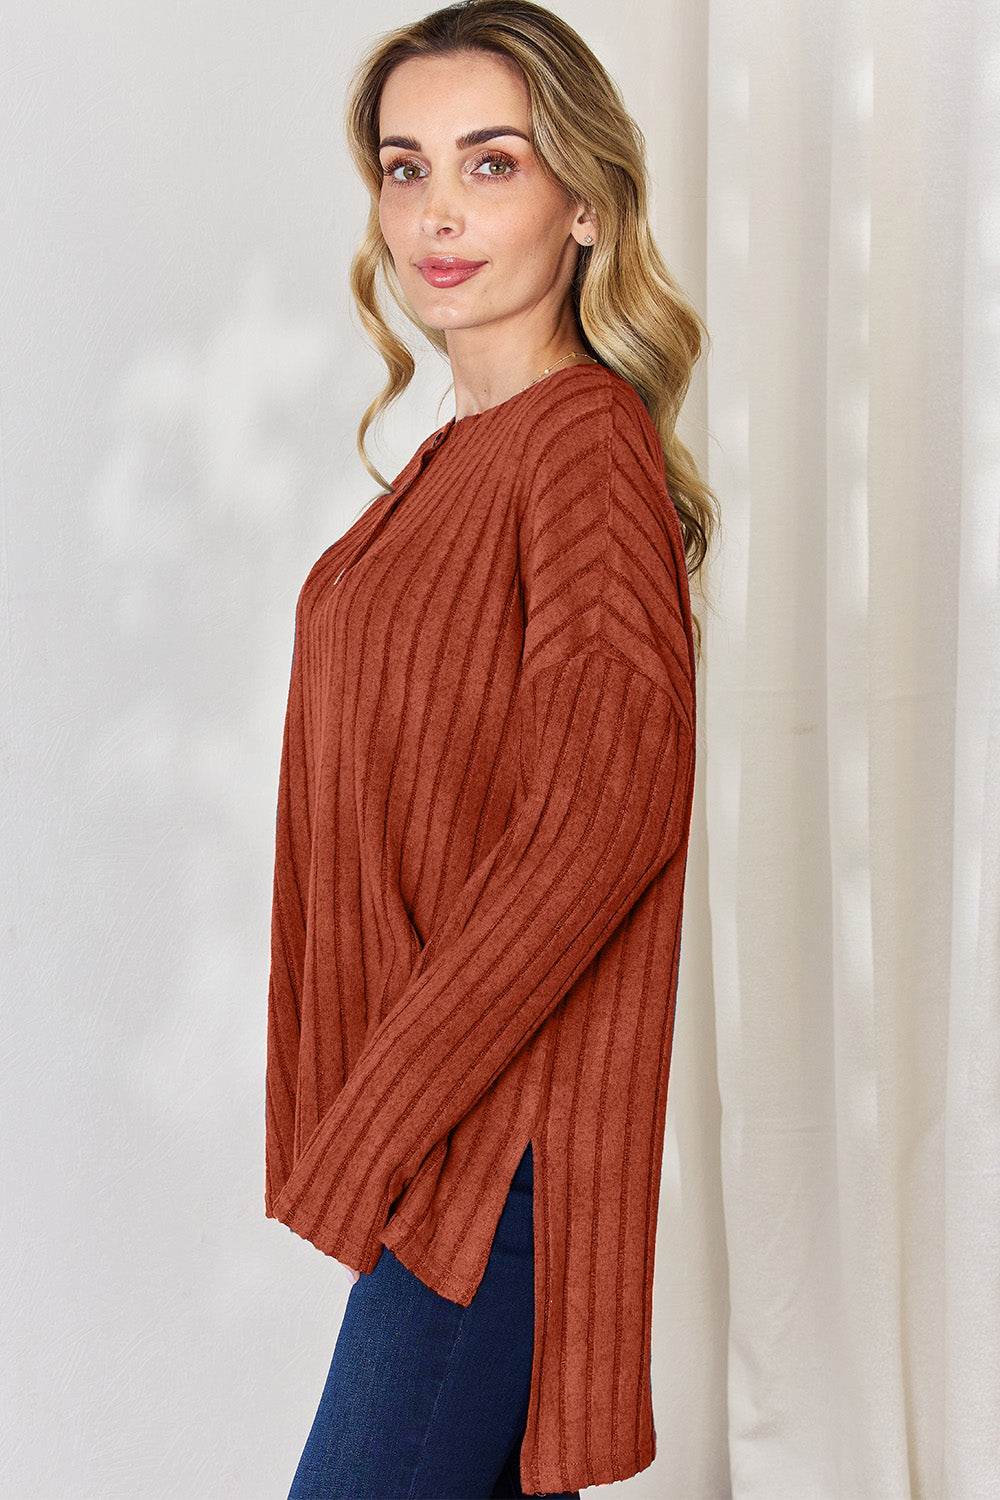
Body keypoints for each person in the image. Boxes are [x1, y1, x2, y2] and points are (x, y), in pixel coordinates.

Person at [264, 2, 717, 1495]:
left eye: (492, 162)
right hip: (449, 1153)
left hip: (496, 1156)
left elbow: (604, 818)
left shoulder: (578, 444)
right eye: (406, 168)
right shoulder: (460, 457)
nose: (437, 212)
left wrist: (387, 1104)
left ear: (584, 203)